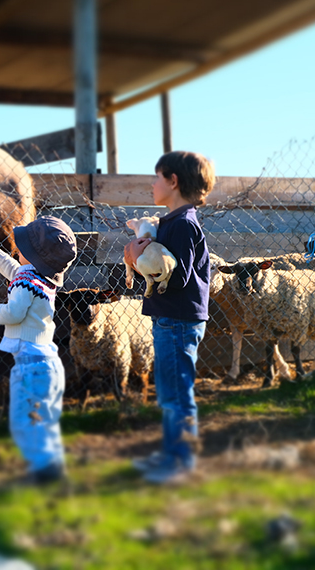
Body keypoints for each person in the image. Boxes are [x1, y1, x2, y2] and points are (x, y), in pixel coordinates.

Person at [123, 151, 216, 484]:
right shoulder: (173, 223)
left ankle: (180, 463)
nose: (152, 183)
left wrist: (139, 254)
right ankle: (172, 454)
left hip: (177, 322)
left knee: (176, 393)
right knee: (168, 392)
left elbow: (178, 277)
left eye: (156, 177)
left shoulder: (183, 225)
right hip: (170, 320)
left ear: (173, 181)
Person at [0, 217, 77, 484]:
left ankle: (41, 475)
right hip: (47, 362)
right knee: (45, 423)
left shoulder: (25, 282)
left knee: (25, 422)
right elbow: (14, 270)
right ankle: (52, 471)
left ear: (32, 257)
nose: (16, 251)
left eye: (21, 249)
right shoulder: (41, 279)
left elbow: (14, 313)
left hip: (31, 364)